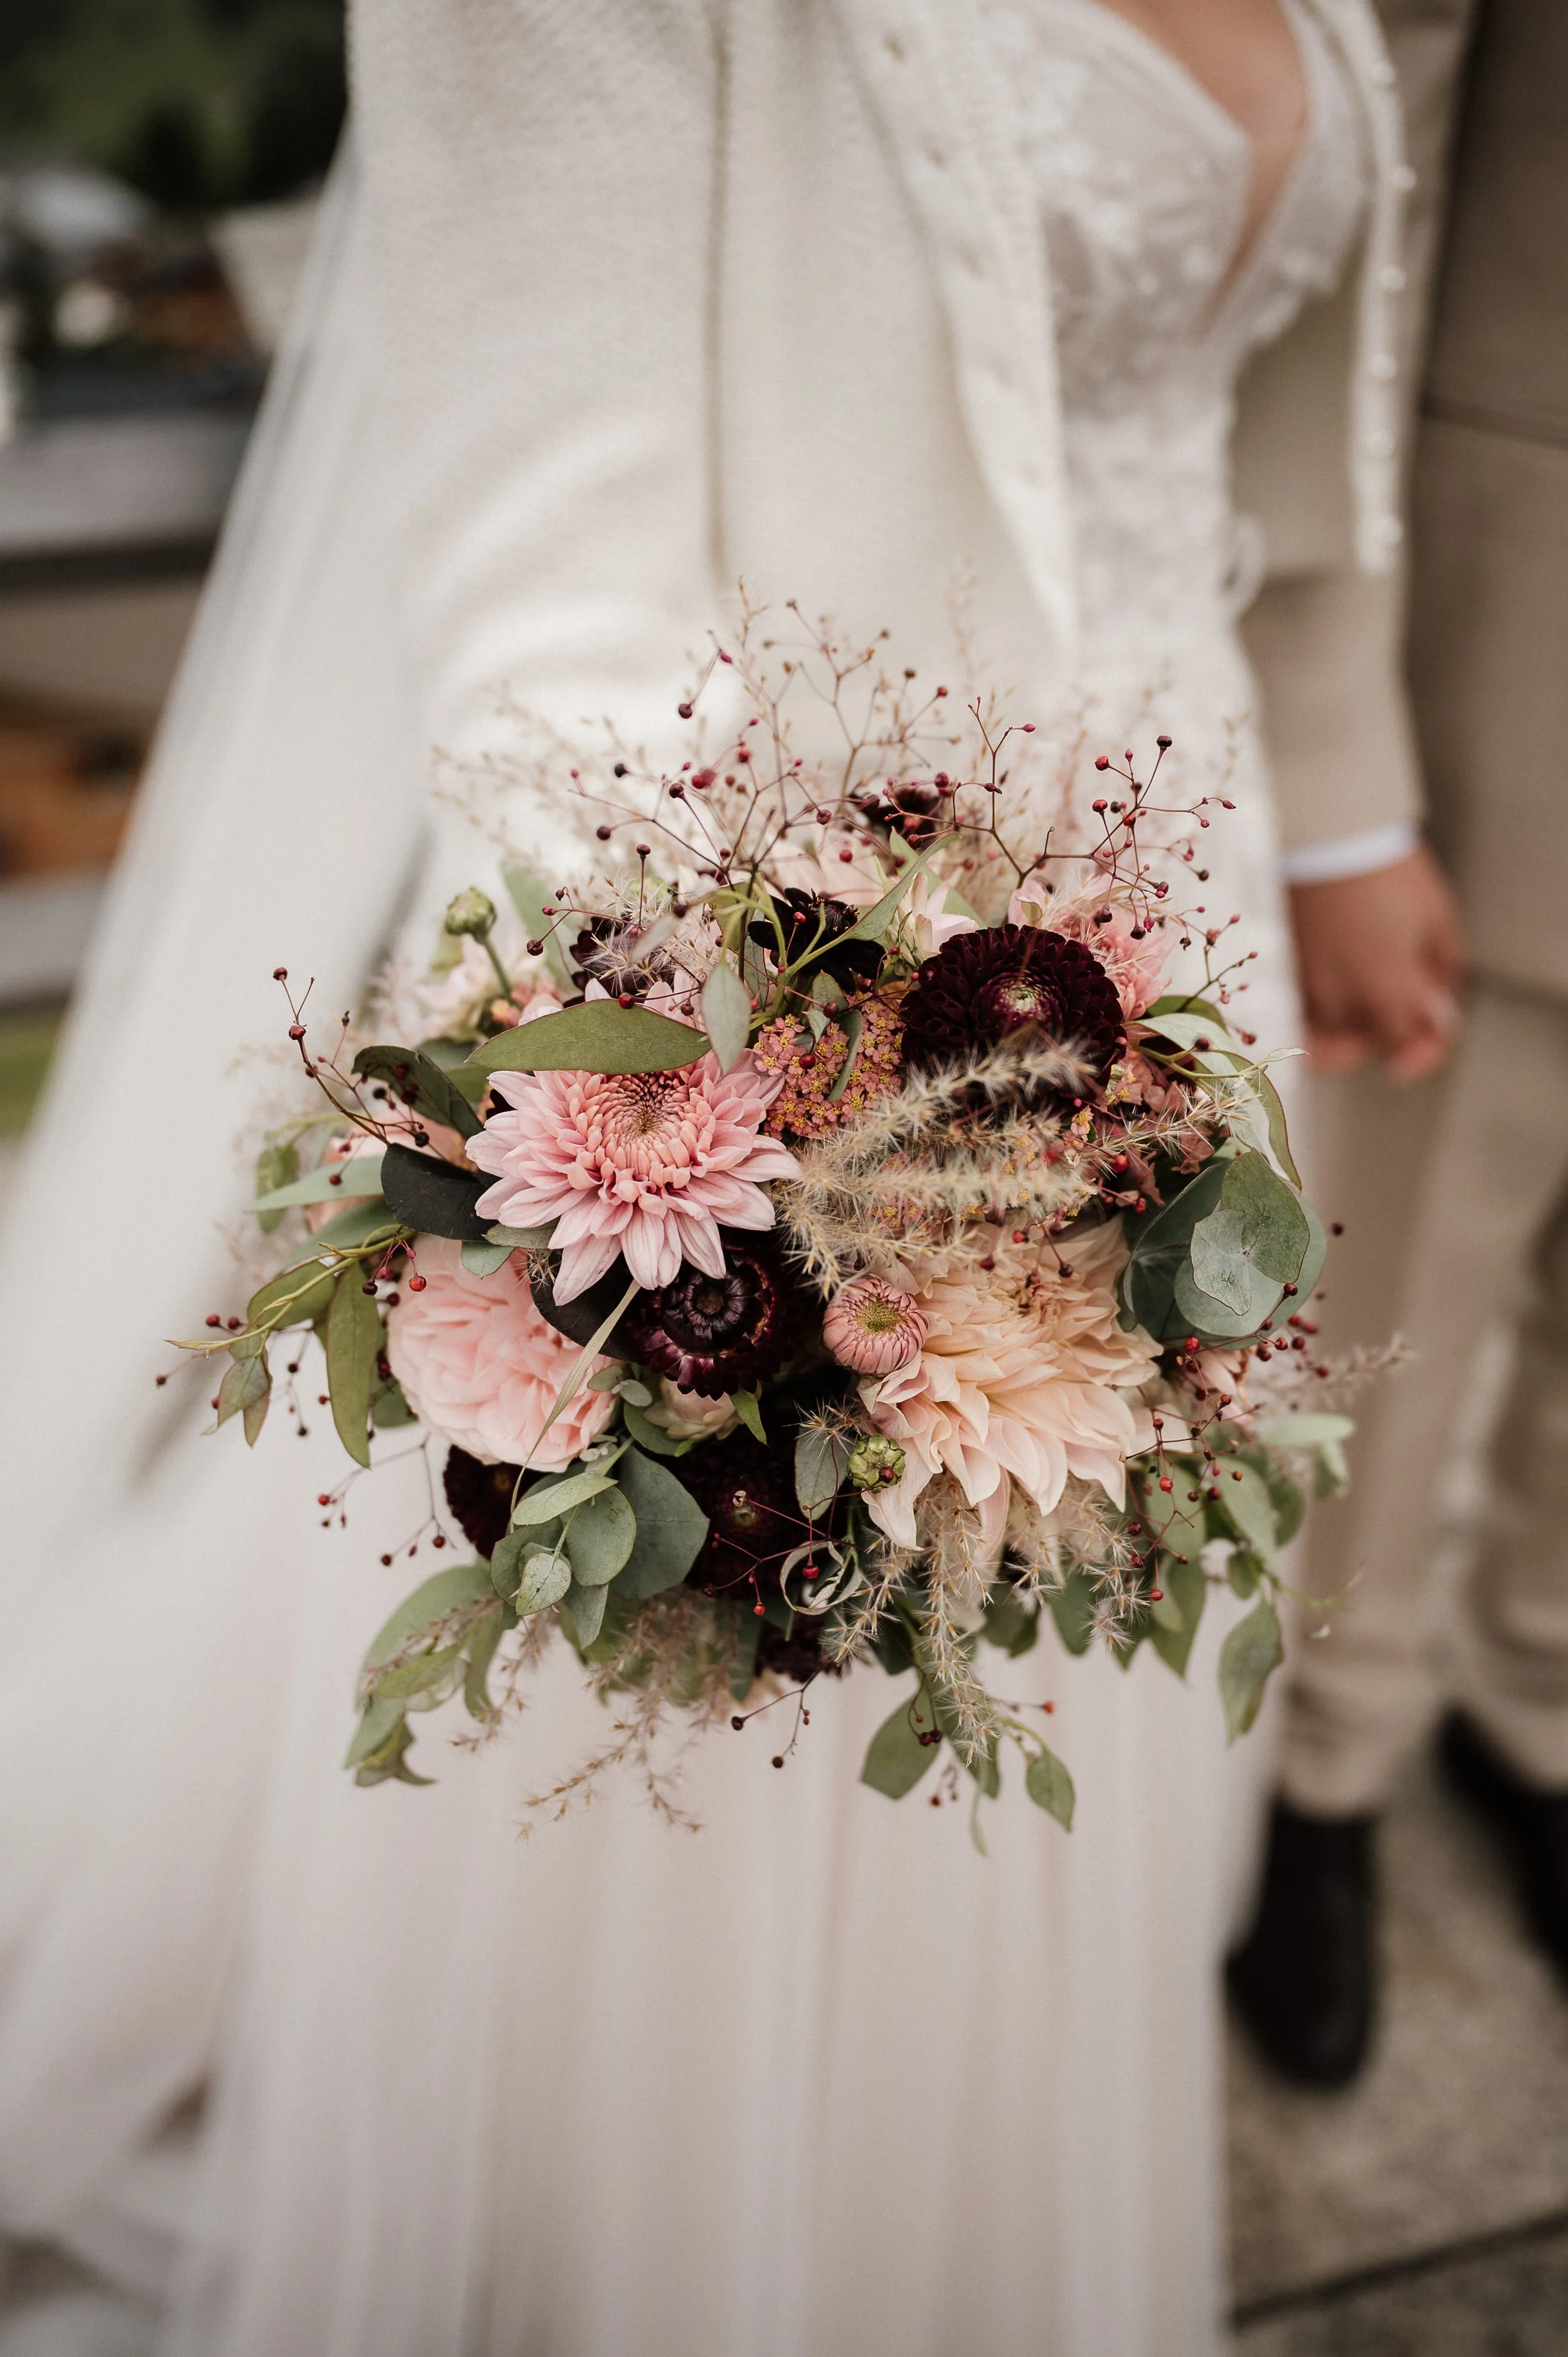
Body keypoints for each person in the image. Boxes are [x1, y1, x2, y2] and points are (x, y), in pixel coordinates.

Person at [0, 4, 1429, 2348]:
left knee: (1080, 1647)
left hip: (1185, 913)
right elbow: (551, 608)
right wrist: (829, 1139)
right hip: (811, 1002)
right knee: (755, 1714)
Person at [1231, 0, 1568, 2089]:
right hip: (1509, 631)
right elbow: (1365, 166)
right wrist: (1335, 755)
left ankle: (1540, 1706)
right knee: (1400, 1283)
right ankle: (1323, 1763)